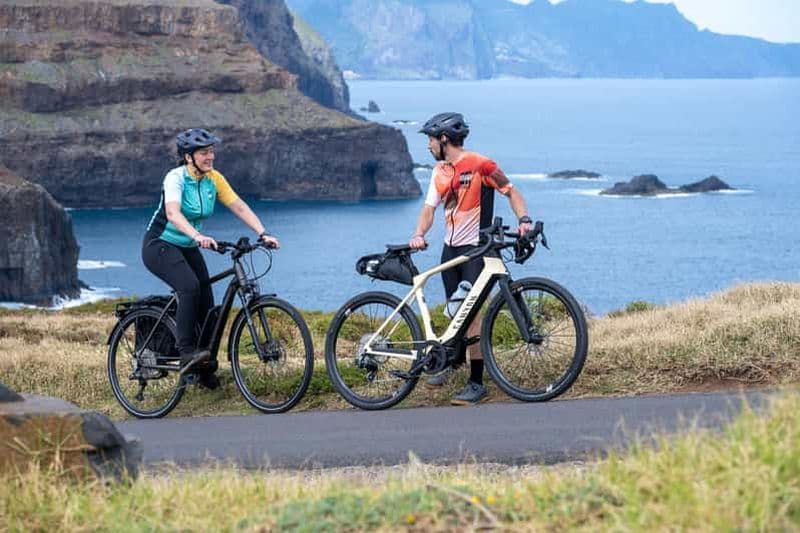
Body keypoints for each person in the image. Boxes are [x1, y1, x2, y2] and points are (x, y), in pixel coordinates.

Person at [409, 112, 533, 405]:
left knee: (472, 314)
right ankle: (453, 362)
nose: (428, 145)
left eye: (430, 139)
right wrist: (419, 233)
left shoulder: (481, 165)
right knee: (456, 312)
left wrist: (524, 219)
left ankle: (477, 383)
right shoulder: (439, 171)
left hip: (476, 250)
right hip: (450, 251)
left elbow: (510, 191)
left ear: (444, 139)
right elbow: (429, 208)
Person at [142, 128, 279, 389]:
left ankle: (202, 369)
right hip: (159, 244)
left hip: (187, 245)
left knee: (207, 304)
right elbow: (173, 214)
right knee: (189, 287)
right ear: (188, 157)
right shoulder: (175, 178)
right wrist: (197, 235)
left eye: (212, 151)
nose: (210, 156)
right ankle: (186, 353)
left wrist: (263, 233)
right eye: (204, 152)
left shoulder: (213, 179)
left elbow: (238, 205)